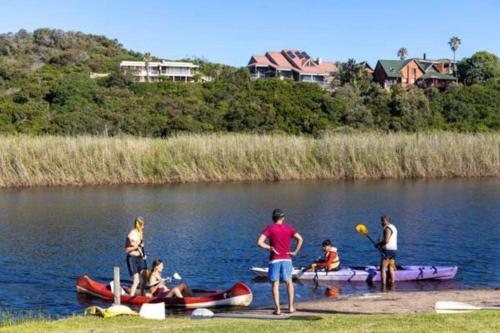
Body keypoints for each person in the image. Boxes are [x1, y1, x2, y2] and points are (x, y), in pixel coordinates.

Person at [257, 209, 303, 315]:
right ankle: (291, 307)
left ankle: (277, 309)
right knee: (289, 283)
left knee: (275, 284)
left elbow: (259, 242)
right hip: (287, 259)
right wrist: (295, 251)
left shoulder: (270, 228)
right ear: (283, 218)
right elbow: (300, 239)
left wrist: (270, 247)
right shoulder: (289, 228)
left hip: (275, 259)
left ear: (273, 218)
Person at [125, 216, 148, 296]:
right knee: (136, 281)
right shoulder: (131, 235)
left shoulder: (140, 233)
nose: (144, 227)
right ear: (139, 225)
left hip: (140, 258)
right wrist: (137, 246)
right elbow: (126, 250)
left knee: (145, 278)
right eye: (142, 225)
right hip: (132, 259)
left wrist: (143, 255)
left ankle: (142, 295)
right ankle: (131, 297)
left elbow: (141, 247)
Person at [376, 215, 398, 286]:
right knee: (391, 268)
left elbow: (386, 241)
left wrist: (378, 244)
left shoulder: (387, 228)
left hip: (387, 251)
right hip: (394, 250)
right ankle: (392, 285)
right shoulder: (393, 227)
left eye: (382, 221)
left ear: (387, 221)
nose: (381, 222)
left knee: (383, 269)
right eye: (381, 221)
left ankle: (383, 286)